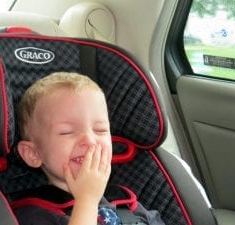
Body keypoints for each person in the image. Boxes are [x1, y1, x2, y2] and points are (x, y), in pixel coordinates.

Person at [14, 72, 165, 225]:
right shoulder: (32, 215)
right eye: (67, 132)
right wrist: (87, 200)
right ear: (32, 154)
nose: (90, 141)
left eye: (100, 130)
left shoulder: (125, 202)